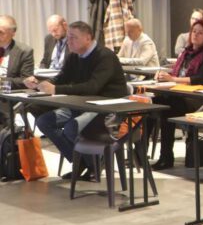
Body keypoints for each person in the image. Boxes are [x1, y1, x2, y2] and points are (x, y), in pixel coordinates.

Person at [25, 21, 127, 180]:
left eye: (73, 37)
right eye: (69, 37)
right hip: (81, 104)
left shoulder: (105, 56)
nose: (69, 41)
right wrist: (39, 83)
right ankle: (81, 162)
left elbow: (93, 87)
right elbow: (61, 79)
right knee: (44, 122)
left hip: (106, 108)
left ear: (88, 38)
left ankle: (94, 165)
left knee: (72, 128)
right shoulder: (74, 56)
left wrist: (56, 89)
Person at [152, 19, 203, 170]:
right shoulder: (186, 53)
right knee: (154, 103)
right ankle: (142, 154)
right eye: (194, 31)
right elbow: (176, 73)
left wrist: (173, 79)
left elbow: (200, 79)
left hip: (198, 100)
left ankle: (166, 157)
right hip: (180, 95)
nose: (195, 35)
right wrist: (163, 75)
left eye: (200, 33)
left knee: (166, 108)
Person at [0, 15, 35, 89]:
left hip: (7, 93)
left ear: (13, 33)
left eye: (1, 32)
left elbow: (26, 81)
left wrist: (2, 81)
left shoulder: (24, 51)